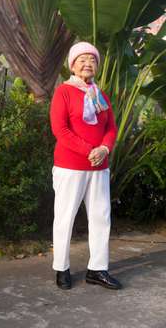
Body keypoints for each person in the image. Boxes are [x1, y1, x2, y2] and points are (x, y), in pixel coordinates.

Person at [50, 41, 122, 290]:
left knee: (101, 217)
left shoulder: (100, 95)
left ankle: (97, 269)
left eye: (92, 60)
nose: (87, 63)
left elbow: (111, 128)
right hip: (70, 166)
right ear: (72, 65)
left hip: (99, 167)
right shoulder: (64, 92)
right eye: (82, 59)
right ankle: (61, 268)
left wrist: (104, 149)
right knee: (65, 217)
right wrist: (88, 150)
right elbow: (60, 129)